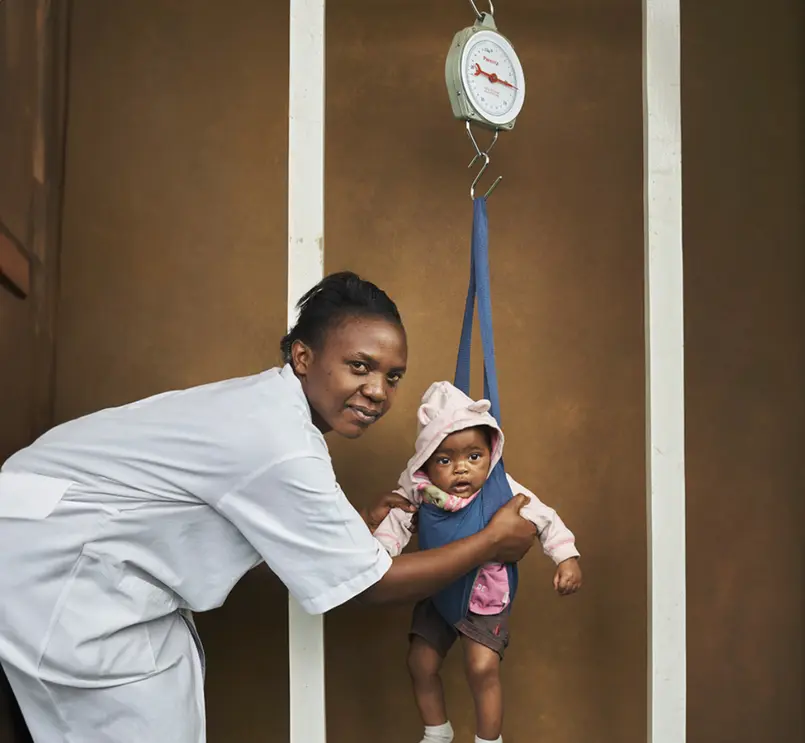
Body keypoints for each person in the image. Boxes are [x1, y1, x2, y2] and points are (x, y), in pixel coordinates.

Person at [0, 271, 539, 743]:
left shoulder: (268, 411)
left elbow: (254, 525)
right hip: (57, 566)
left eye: (392, 376)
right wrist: (490, 542)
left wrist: (345, 533)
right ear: (303, 357)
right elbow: (370, 586)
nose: (377, 390)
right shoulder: (280, 442)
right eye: (359, 366)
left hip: (62, 541)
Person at [373, 381, 583, 743]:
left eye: (474, 457)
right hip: (438, 592)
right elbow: (393, 525)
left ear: (491, 453)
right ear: (427, 460)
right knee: (420, 663)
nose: (461, 470)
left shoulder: (501, 486)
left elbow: (546, 518)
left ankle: (488, 740)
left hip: (485, 597)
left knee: (482, 668)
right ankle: (437, 732)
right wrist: (381, 555)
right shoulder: (418, 489)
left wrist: (566, 557)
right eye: (445, 459)